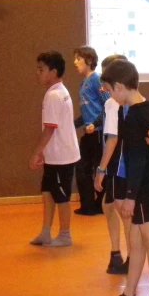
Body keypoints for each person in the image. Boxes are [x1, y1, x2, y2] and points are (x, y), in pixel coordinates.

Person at [101, 60, 149, 296]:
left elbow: (137, 159)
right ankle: (129, 292)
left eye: (110, 90)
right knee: (137, 238)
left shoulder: (134, 117)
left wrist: (130, 195)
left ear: (120, 86)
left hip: (146, 187)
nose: (110, 95)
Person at [28, 51, 80, 247]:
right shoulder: (59, 91)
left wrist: (36, 152)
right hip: (56, 154)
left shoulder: (54, 95)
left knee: (61, 195)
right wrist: (44, 152)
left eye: (41, 70)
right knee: (48, 193)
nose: (38, 73)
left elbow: (50, 128)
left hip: (61, 156)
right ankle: (45, 232)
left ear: (53, 72)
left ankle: (65, 234)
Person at [94, 54, 130, 274]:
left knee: (123, 210)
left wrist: (101, 168)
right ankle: (116, 253)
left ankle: (130, 256)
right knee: (109, 206)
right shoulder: (120, 102)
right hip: (119, 163)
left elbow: (113, 138)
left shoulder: (113, 103)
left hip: (117, 164)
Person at [73, 46, 108, 215]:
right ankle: (87, 205)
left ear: (88, 61)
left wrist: (95, 123)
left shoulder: (96, 80)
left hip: (99, 132)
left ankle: (99, 204)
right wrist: (73, 125)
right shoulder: (83, 83)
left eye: (78, 59)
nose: (75, 62)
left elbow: (108, 106)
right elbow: (87, 111)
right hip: (89, 133)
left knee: (98, 168)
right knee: (82, 169)